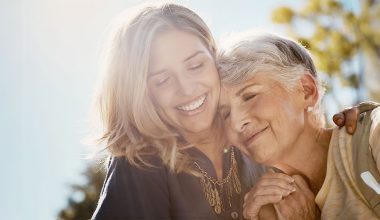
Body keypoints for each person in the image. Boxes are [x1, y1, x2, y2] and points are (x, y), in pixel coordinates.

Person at [91, 2, 362, 220]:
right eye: (162, 80)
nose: (187, 89)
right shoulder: (141, 163)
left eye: (196, 65)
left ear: (213, 57)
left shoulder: (258, 142)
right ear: (143, 94)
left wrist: (358, 127)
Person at [218, 31, 380, 219]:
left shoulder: (372, 135)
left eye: (250, 96)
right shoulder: (266, 210)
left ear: (306, 90)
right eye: (225, 114)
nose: (237, 122)